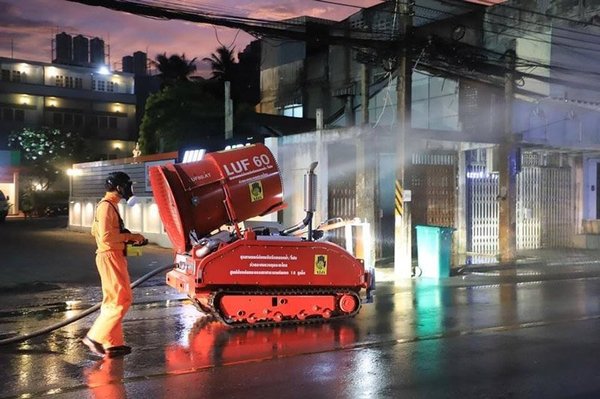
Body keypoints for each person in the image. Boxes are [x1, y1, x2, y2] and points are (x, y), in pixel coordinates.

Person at [82, 171, 146, 358]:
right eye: (127, 186)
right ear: (120, 187)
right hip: (110, 256)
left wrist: (128, 240)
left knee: (113, 299)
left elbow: (97, 232)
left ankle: (112, 343)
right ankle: (94, 337)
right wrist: (131, 237)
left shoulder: (109, 205)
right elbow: (107, 237)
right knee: (121, 300)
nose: (129, 190)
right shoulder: (106, 207)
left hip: (112, 255)